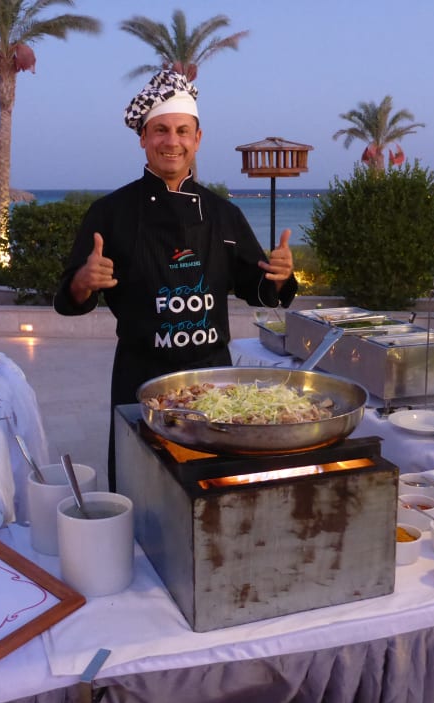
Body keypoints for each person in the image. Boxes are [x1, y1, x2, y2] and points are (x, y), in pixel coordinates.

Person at [54, 69, 298, 490]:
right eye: (161, 130)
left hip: (213, 377)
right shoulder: (110, 213)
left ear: (197, 139)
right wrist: (83, 280)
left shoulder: (224, 214)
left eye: (183, 131)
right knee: (139, 483)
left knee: (214, 485)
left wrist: (279, 276)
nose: (172, 141)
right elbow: (66, 299)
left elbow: (256, 288)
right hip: (140, 377)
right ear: (143, 138)